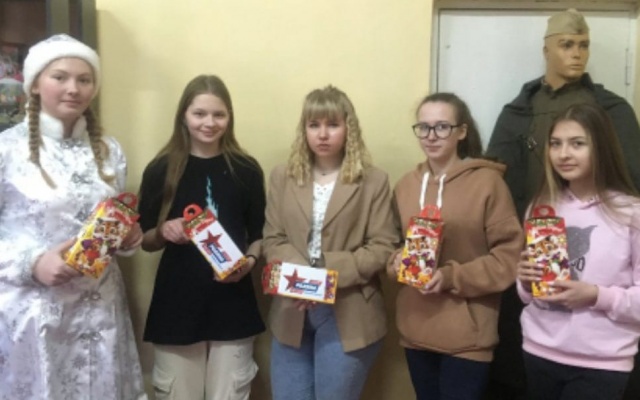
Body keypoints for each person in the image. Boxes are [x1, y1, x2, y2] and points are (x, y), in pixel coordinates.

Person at [485, 10, 640, 399]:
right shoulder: (518, 111)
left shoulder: (613, 110)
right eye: (567, 45)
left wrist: (599, 296)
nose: (577, 54)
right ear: (547, 50)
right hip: (539, 319)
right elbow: (494, 183)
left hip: (602, 350)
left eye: (584, 45)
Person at [0, 34, 146, 399]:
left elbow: (115, 224)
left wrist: (129, 237)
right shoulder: (6, 150)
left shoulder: (109, 152)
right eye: (60, 77)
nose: (73, 88)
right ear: (34, 84)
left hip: (101, 311)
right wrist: (32, 263)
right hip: (32, 313)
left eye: (84, 79)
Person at [262, 85, 396, 400]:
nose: (323, 134)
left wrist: (323, 274)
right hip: (292, 310)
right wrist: (303, 280)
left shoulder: (373, 180)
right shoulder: (282, 176)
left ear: (349, 129)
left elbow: (383, 246)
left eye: (333, 125)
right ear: (304, 130)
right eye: (314, 125)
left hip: (350, 312)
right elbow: (273, 238)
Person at [137, 74, 265, 400]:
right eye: (199, 114)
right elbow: (144, 239)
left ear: (229, 117)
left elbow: (259, 233)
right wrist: (163, 231)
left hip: (234, 304)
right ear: (184, 115)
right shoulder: (161, 168)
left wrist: (250, 262)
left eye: (218, 114)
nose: (209, 123)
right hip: (176, 303)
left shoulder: (247, 169)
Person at [389, 93, 522, 400]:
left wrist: (451, 277)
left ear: (461, 131)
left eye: (442, 127)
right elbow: (392, 244)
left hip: (468, 337)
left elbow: (509, 257)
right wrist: (395, 260)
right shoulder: (406, 185)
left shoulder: (488, 183)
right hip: (416, 329)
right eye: (423, 127)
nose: (431, 136)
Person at [516, 103, 640, 400]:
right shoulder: (541, 206)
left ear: (601, 147)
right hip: (538, 351)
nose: (563, 154)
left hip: (602, 363)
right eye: (555, 144)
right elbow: (529, 295)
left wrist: (596, 296)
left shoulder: (631, 212)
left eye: (577, 144)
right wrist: (525, 281)